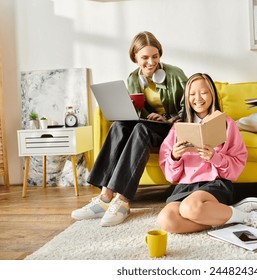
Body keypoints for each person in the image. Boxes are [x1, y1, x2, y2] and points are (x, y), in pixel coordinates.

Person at [71, 31, 188, 227]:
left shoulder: (176, 74)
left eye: (155, 56)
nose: (151, 62)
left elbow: (189, 108)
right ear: (134, 57)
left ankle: (123, 201)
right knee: (119, 125)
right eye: (145, 57)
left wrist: (166, 118)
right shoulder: (133, 78)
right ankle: (105, 197)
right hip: (145, 127)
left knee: (141, 128)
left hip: (170, 129)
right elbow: (136, 111)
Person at [157, 73, 257, 234]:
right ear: (186, 98)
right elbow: (170, 174)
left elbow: (237, 163)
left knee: (189, 208)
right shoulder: (178, 127)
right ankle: (227, 215)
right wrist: (174, 156)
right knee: (166, 221)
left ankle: (248, 218)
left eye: (203, 92)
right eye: (192, 94)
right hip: (185, 186)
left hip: (215, 184)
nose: (198, 98)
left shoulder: (226, 123)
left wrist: (214, 157)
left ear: (212, 94)